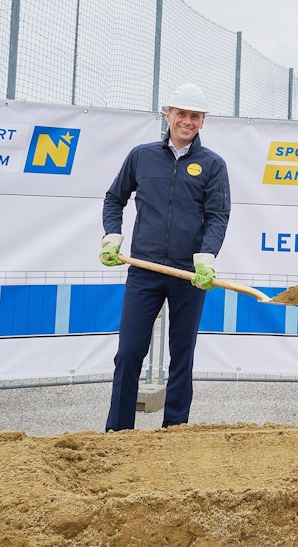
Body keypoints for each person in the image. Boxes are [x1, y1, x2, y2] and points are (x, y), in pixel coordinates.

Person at [99, 82, 231, 431]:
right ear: (168, 115)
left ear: (202, 121)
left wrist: (206, 258)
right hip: (145, 269)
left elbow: (218, 215)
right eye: (181, 114)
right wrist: (112, 237)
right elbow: (114, 199)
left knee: (182, 354)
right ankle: (118, 431)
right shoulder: (141, 156)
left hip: (189, 275)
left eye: (195, 116)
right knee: (129, 352)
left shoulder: (213, 164)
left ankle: (175, 431)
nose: (187, 121)